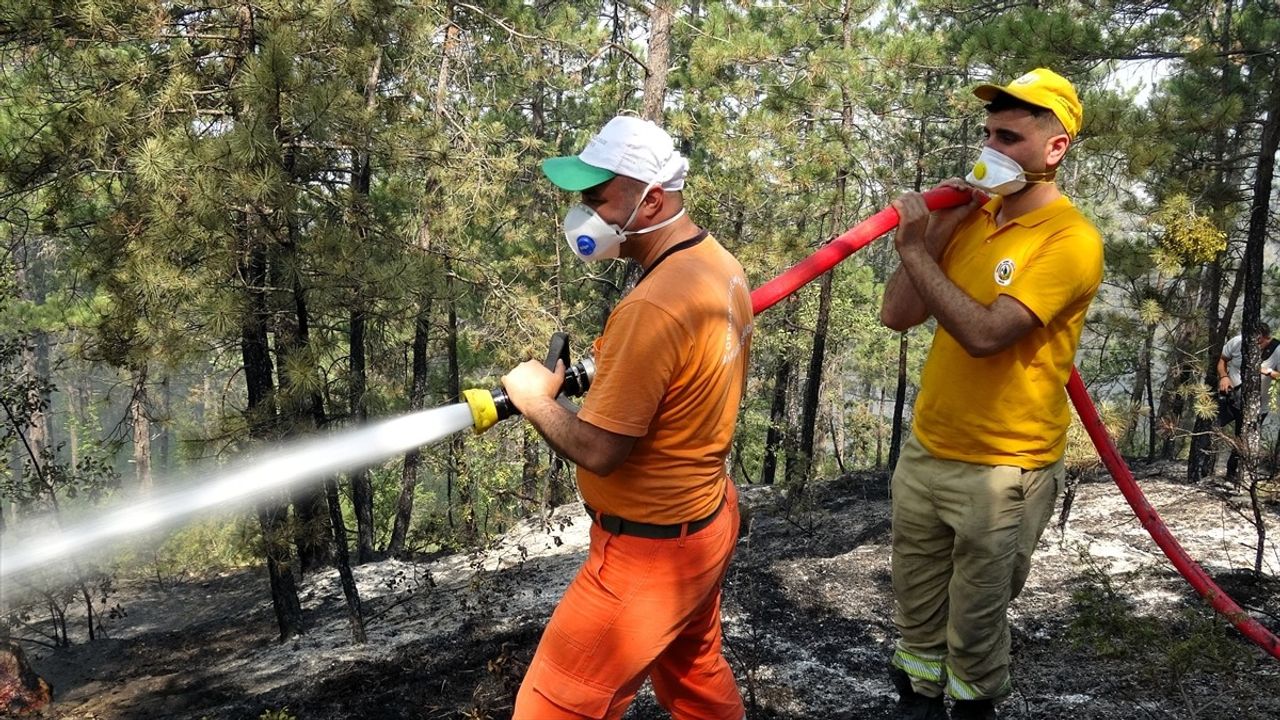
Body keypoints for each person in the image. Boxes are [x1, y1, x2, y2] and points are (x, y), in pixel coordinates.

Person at [500, 115, 753, 720]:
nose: (582, 213)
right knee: (694, 675)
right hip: (706, 518)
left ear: (651, 200)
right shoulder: (718, 264)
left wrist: (537, 399)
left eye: (597, 197)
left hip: (649, 555)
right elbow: (679, 377)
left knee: (550, 708)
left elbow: (602, 450)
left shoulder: (653, 306)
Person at [878, 68, 1103, 720]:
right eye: (988, 135)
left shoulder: (1071, 240)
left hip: (1004, 469)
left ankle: (973, 708)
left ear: (1054, 149)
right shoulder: (976, 218)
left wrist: (917, 252)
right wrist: (941, 230)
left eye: (1009, 137)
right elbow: (897, 315)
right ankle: (916, 704)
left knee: (973, 638)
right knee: (916, 625)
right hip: (928, 452)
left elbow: (985, 335)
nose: (992, 150)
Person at [1212, 324, 1280, 481]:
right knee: (1211, 427)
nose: (1253, 344)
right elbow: (1223, 360)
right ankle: (1205, 467)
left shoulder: (1277, 350)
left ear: (1265, 338)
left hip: (1256, 407)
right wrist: (1224, 376)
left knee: (1242, 441)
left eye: (1258, 341)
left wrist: (1267, 371)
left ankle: (1234, 476)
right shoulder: (1237, 342)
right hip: (1231, 397)